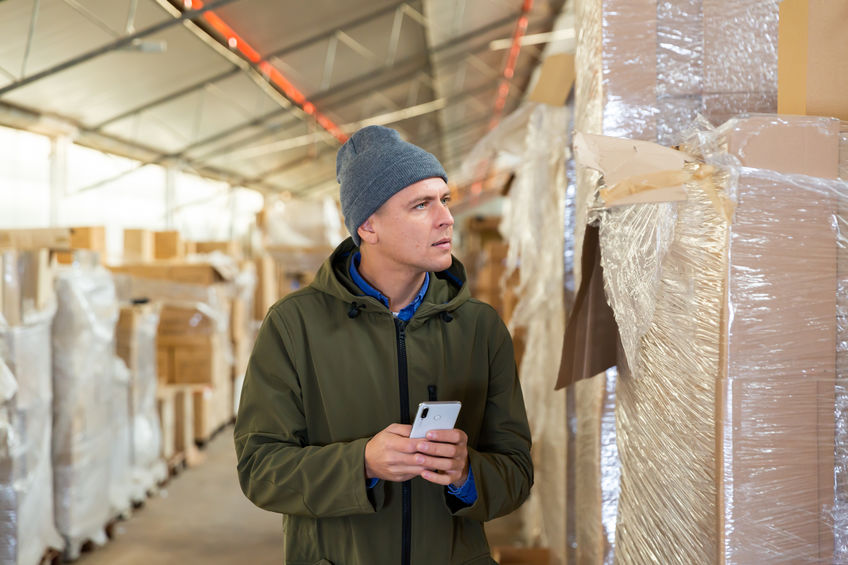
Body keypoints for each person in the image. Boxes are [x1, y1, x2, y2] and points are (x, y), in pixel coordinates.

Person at [234, 125, 533, 565]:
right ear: (368, 226)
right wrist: (363, 464)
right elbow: (260, 470)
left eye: (444, 199)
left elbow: (517, 474)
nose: (446, 217)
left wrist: (466, 473)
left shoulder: (480, 328)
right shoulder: (294, 326)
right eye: (420, 205)